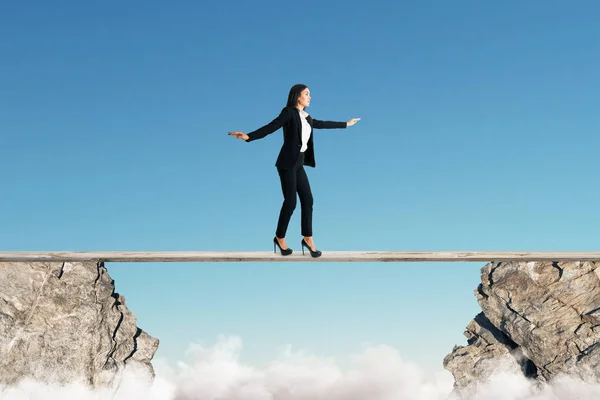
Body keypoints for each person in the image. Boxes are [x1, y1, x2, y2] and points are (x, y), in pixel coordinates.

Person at [228, 84, 360, 258]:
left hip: (298, 163)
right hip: (286, 163)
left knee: (308, 199)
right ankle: (279, 238)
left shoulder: (307, 117)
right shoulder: (288, 113)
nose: (310, 97)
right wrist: (248, 136)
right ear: (297, 96)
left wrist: (346, 124)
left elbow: (321, 124)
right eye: (306, 94)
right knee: (290, 202)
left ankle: (307, 238)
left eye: (310, 94)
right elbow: (271, 127)